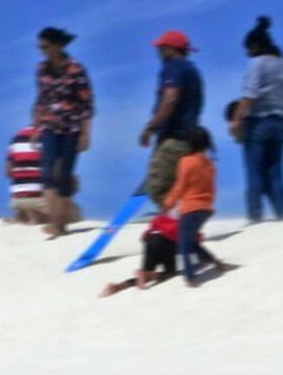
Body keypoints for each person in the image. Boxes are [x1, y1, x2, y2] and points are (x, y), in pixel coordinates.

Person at [231, 15, 283, 222]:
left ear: (254, 46)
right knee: (277, 171)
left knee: (254, 170)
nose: (246, 53)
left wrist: (237, 120)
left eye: (248, 49)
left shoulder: (256, 64)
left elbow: (249, 94)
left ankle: (255, 217)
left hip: (258, 122)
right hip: (281, 123)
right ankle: (280, 215)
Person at [29, 26, 94, 237]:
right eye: (40, 47)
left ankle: (60, 223)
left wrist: (85, 134)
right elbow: (40, 100)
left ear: (57, 45)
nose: (42, 51)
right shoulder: (41, 70)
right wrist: (35, 127)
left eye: (45, 47)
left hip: (71, 128)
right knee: (48, 173)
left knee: (64, 175)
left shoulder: (76, 69)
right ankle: (54, 222)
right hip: (49, 126)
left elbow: (86, 104)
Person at [137, 29, 205, 208]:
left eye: (160, 47)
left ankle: (174, 225)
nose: (157, 52)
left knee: (157, 187)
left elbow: (169, 99)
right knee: (179, 185)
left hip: (173, 138)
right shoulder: (192, 70)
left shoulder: (173, 67)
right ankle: (179, 224)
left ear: (171, 49)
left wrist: (150, 128)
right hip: (190, 139)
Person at [169, 127, 231, 284]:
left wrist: (169, 202)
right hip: (205, 209)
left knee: (183, 244)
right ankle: (215, 262)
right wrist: (207, 204)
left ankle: (189, 277)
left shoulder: (186, 162)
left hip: (190, 208)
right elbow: (212, 188)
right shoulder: (209, 164)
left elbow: (180, 186)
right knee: (190, 241)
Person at [98, 211, 179, 297]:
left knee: (146, 276)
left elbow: (146, 234)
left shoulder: (159, 218)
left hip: (150, 241)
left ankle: (117, 287)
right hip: (165, 241)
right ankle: (146, 274)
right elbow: (187, 237)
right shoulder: (180, 219)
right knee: (170, 273)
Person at [4, 128, 51, 225]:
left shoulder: (17, 137)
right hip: (39, 201)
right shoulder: (50, 137)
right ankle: (34, 217)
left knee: (23, 197)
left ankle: (21, 215)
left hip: (16, 201)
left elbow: (7, 173)